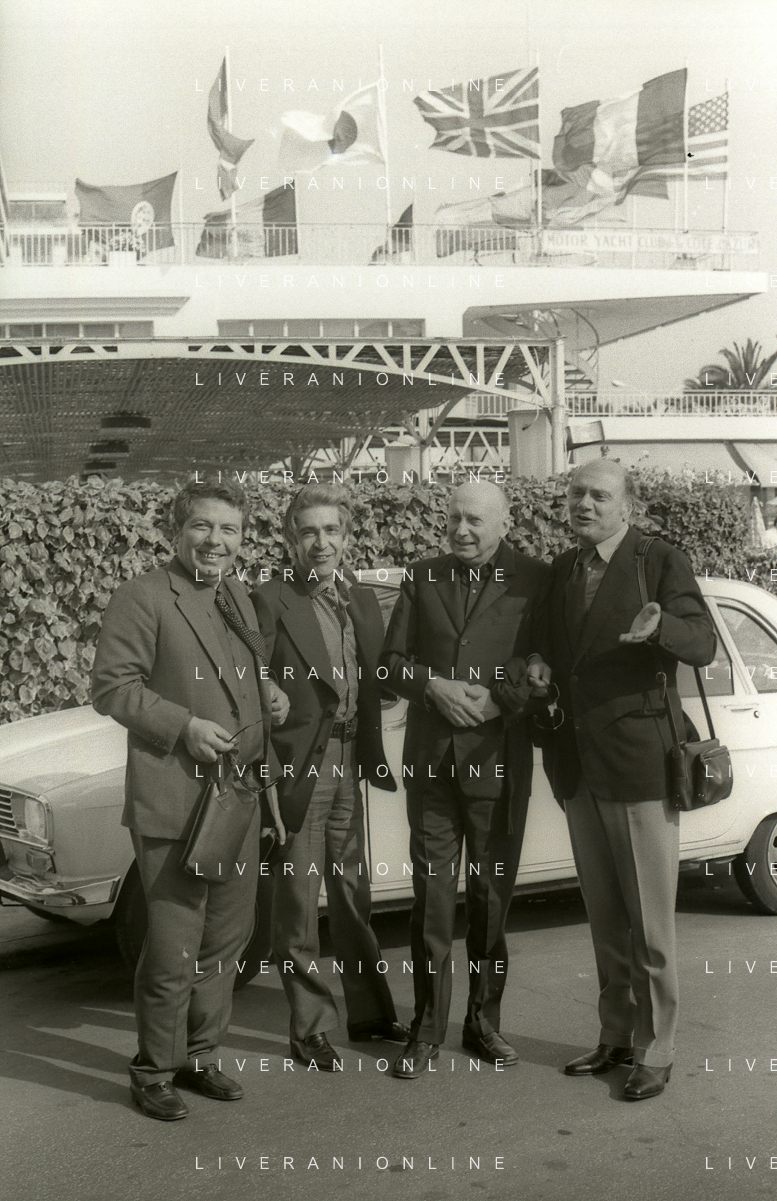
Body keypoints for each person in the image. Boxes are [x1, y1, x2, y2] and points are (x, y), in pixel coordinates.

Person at [92, 477, 288, 1120]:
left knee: (227, 939)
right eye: (202, 525)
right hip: (176, 798)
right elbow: (112, 687)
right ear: (176, 530)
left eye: (229, 529)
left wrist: (270, 696)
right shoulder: (143, 595)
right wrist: (183, 727)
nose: (216, 540)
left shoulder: (236, 594)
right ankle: (153, 1069)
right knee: (175, 943)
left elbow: (242, 677)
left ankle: (200, 1056)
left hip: (238, 796)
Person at [529, 458, 715, 1101]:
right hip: (578, 764)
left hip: (640, 765)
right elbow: (546, 645)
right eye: (576, 493)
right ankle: (615, 1035)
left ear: (627, 506)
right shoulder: (563, 568)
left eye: (599, 496)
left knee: (650, 923)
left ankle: (657, 1046)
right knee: (605, 917)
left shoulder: (657, 560)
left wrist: (661, 627)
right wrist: (537, 663)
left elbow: (702, 643)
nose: (584, 504)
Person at [380, 481, 551, 1079]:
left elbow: (546, 666)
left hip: (497, 764)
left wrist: (501, 700)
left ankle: (483, 1023)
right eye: (454, 518)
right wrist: (432, 685)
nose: (461, 529)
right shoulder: (422, 576)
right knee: (430, 900)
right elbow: (389, 665)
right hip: (432, 768)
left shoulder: (536, 580)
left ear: (505, 522)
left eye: (475, 520)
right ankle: (426, 1030)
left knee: (490, 899)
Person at [252, 484, 409, 1070]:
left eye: (332, 531)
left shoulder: (359, 598)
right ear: (291, 540)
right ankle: (310, 1028)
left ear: (347, 537)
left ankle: (370, 1014)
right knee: (298, 902)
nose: (322, 542)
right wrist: (267, 693)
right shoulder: (269, 599)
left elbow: (381, 677)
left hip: (350, 762)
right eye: (309, 532)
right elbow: (251, 677)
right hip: (301, 767)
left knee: (352, 894)